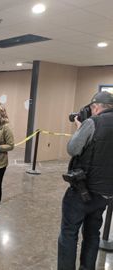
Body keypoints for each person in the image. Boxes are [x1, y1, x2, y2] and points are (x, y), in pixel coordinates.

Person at [57, 91, 113, 270]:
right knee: (92, 234)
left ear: (96, 107)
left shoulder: (92, 123)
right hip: (105, 193)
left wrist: (80, 128)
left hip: (82, 190)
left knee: (69, 232)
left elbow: (73, 149)